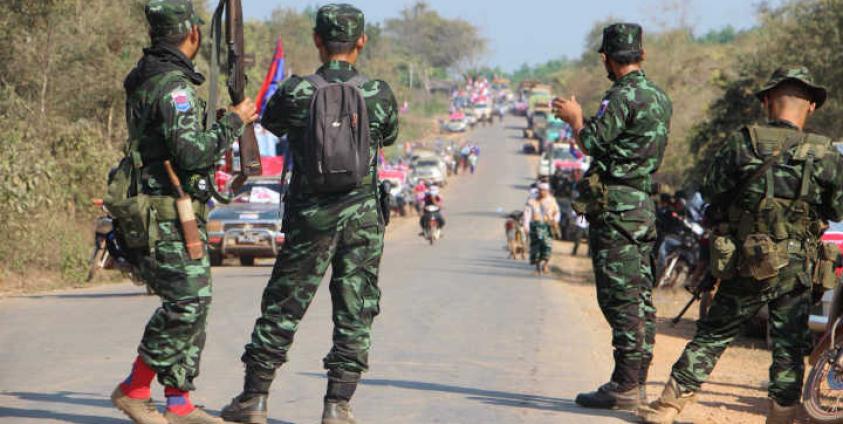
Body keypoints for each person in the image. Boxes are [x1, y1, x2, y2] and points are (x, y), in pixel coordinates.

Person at [220, 4, 399, 424]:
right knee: (355, 310)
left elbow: (272, 124)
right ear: (361, 41)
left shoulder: (297, 91)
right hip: (362, 221)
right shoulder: (379, 93)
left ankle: (254, 399)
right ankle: (337, 406)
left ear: (318, 40)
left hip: (309, 217)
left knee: (282, 306)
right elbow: (389, 134)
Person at [639, 67, 843, 424]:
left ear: (767, 102)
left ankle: (668, 406)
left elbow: (711, 193)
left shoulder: (741, 143)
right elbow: (837, 209)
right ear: (811, 106)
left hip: (745, 260)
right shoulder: (825, 154)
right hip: (795, 266)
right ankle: (781, 417)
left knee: (713, 334)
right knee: (789, 347)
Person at [109, 1, 257, 423]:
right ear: (192, 33)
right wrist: (235, 122)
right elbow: (192, 153)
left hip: (169, 209)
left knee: (196, 303)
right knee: (187, 303)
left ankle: (178, 403)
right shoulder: (173, 86)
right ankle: (135, 389)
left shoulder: (148, 75)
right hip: (167, 213)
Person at [553, 22, 673, 409]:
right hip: (641, 205)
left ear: (607, 58)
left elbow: (590, 141)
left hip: (617, 207)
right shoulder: (659, 97)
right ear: (642, 54)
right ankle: (634, 381)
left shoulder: (621, 96)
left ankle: (626, 384)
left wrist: (575, 118)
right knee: (639, 296)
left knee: (620, 298)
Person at [523, 182, 560, 273]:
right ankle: (537, 267)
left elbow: (557, 212)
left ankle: (545, 265)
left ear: (547, 191)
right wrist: (526, 226)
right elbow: (527, 214)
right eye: (540, 190)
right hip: (535, 227)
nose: (542, 192)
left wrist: (555, 220)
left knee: (547, 246)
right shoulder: (532, 201)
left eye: (544, 190)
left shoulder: (552, 201)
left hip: (547, 226)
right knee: (536, 247)